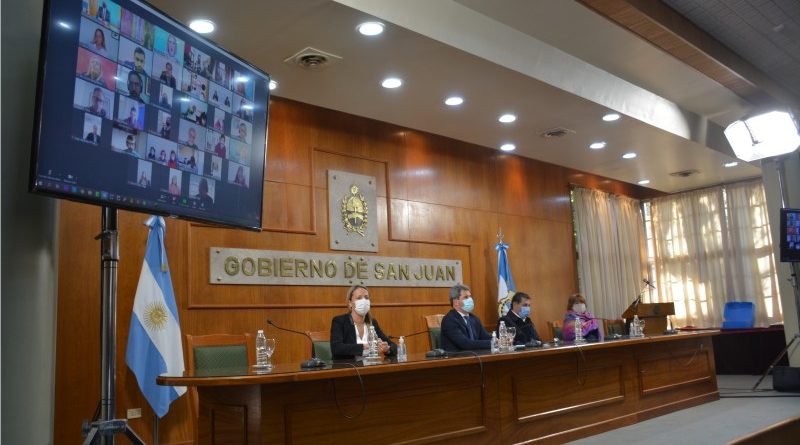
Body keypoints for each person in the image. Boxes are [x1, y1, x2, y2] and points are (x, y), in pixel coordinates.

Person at [330, 285, 396, 360]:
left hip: (371, 365)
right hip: (348, 366)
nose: (364, 301)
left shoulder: (372, 322)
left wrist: (387, 349)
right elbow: (336, 348)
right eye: (359, 298)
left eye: (366, 298)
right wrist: (364, 346)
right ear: (350, 303)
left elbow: (394, 346)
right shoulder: (340, 321)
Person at [440, 284, 492, 351]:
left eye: (470, 296)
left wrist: (499, 341)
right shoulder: (449, 320)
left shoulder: (474, 319)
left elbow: (486, 337)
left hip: (475, 355)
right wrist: (493, 343)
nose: (470, 300)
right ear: (456, 302)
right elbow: (466, 344)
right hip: (457, 356)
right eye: (466, 297)